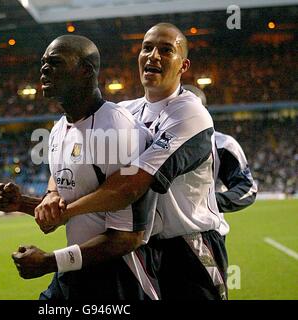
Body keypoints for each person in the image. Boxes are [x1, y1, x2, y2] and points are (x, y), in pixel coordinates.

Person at [36, 23, 228, 300]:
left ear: (183, 66)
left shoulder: (190, 115)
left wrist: (67, 212)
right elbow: (70, 155)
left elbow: (130, 186)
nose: (153, 56)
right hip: (145, 245)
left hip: (190, 243)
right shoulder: (127, 111)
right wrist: (53, 192)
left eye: (165, 50)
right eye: (147, 48)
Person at [0, 35, 161, 300]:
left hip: (120, 278)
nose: (44, 69)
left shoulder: (116, 127)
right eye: (43, 63)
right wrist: (23, 204)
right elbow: (69, 211)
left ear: (86, 71)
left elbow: (129, 237)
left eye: (55, 63)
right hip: (77, 268)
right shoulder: (60, 129)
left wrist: (51, 261)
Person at [182, 84, 258, 236]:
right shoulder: (154, 142)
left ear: (206, 111)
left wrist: (210, 202)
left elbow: (247, 188)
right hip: (158, 237)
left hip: (206, 234)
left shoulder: (222, 144)